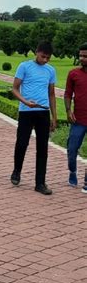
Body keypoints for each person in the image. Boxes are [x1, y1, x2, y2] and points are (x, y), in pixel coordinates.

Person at [11, 41, 57, 196]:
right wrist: (25, 102)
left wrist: (54, 116)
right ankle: (17, 171)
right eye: (43, 56)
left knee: (42, 148)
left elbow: (51, 94)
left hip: (43, 112)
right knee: (22, 143)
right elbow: (15, 88)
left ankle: (40, 183)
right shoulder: (24, 66)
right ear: (36, 52)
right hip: (26, 111)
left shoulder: (51, 70)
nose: (45, 60)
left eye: (48, 58)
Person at [64, 44, 87, 189]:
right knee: (71, 151)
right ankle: (72, 171)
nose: (82, 58)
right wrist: (68, 110)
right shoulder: (73, 74)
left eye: (85, 56)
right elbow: (67, 94)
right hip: (78, 119)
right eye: (80, 55)